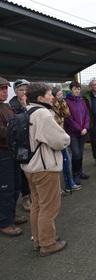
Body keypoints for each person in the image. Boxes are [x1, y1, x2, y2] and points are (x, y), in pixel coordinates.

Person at [22, 82, 70, 256]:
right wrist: (67, 138)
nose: (53, 96)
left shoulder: (27, 111)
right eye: (50, 94)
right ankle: (48, 244)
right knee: (49, 208)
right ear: (40, 98)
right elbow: (60, 140)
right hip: (45, 168)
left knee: (37, 206)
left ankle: (38, 240)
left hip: (30, 167)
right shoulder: (43, 114)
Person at [0, 77, 28, 237]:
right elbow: (2, 131)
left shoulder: (6, 106)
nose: (5, 91)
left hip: (12, 154)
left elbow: (12, 124)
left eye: (6, 88)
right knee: (5, 190)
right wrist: (15, 127)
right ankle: (4, 222)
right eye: (2, 89)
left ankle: (11, 215)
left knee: (16, 186)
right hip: (2, 155)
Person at [51, 87, 82, 193]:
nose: (59, 96)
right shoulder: (47, 107)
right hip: (52, 138)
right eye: (57, 95)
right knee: (55, 163)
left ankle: (69, 184)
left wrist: (61, 102)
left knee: (66, 160)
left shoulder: (58, 104)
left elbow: (66, 113)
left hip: (60, 136)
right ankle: (56, 187)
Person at [9, 79, 32, 211]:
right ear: (16, 91)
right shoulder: (12, 106)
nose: (24, 92)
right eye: (21, 90)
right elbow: (20, 123)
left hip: (31, 141)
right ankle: (25, 196)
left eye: (25, 90)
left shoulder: (30, 102)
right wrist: (24, 108)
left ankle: (33, 193)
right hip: (20, 144)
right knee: (23, 170)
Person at [64, 81, 90, 185]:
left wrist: (86, 128)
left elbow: (87, 115)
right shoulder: (66, 102)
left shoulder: (82, 101)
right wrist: (79, 129)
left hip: (83, 132)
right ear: (71, 90)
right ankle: (75, 174)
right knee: (76, 153)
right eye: (75, 89)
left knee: (81, 153)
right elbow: (68, 119)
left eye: (78, 89)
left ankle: (80, 172)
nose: (77, 91)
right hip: (73, 133)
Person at [82, 80, 96, 167]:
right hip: (92, 122)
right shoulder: (86, 97)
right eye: (94, 85)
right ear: (90, 87)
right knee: (94, 142)